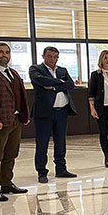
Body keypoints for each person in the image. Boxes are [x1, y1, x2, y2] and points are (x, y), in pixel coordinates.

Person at [0, 43, 30, 201]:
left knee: (11, 154)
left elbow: (20, 95)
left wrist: (24, 115)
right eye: (0, 52)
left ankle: (6, 184)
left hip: (15, 120)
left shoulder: (13, 73)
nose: (4, 55)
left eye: (7, 52)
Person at [30, 46, 78, 183]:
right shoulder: (35, 69)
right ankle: (42, 172)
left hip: (62, 111)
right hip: (44, 113)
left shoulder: (62, 70)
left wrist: (54, 87)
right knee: (42, 143)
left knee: (60, 142)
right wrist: (60, 82)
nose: (52, 59)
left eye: (55, 57)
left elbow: (71, 84)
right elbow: (41, 80)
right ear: (43, 56)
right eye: (49, 56)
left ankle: (61, 169)